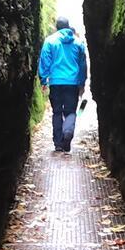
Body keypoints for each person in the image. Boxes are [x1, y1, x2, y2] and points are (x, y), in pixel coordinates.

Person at [38, 16, 87, 153]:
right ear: (68, 26)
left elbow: (45, 61)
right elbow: (83, 65)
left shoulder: (50, 41)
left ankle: (58, 143)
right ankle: (68, 132)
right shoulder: (78, 43)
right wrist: (82, 83)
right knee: (71, 111)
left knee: (57, 112)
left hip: (55, 83)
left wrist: (43, 80)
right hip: (72, 83)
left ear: (56, 27)